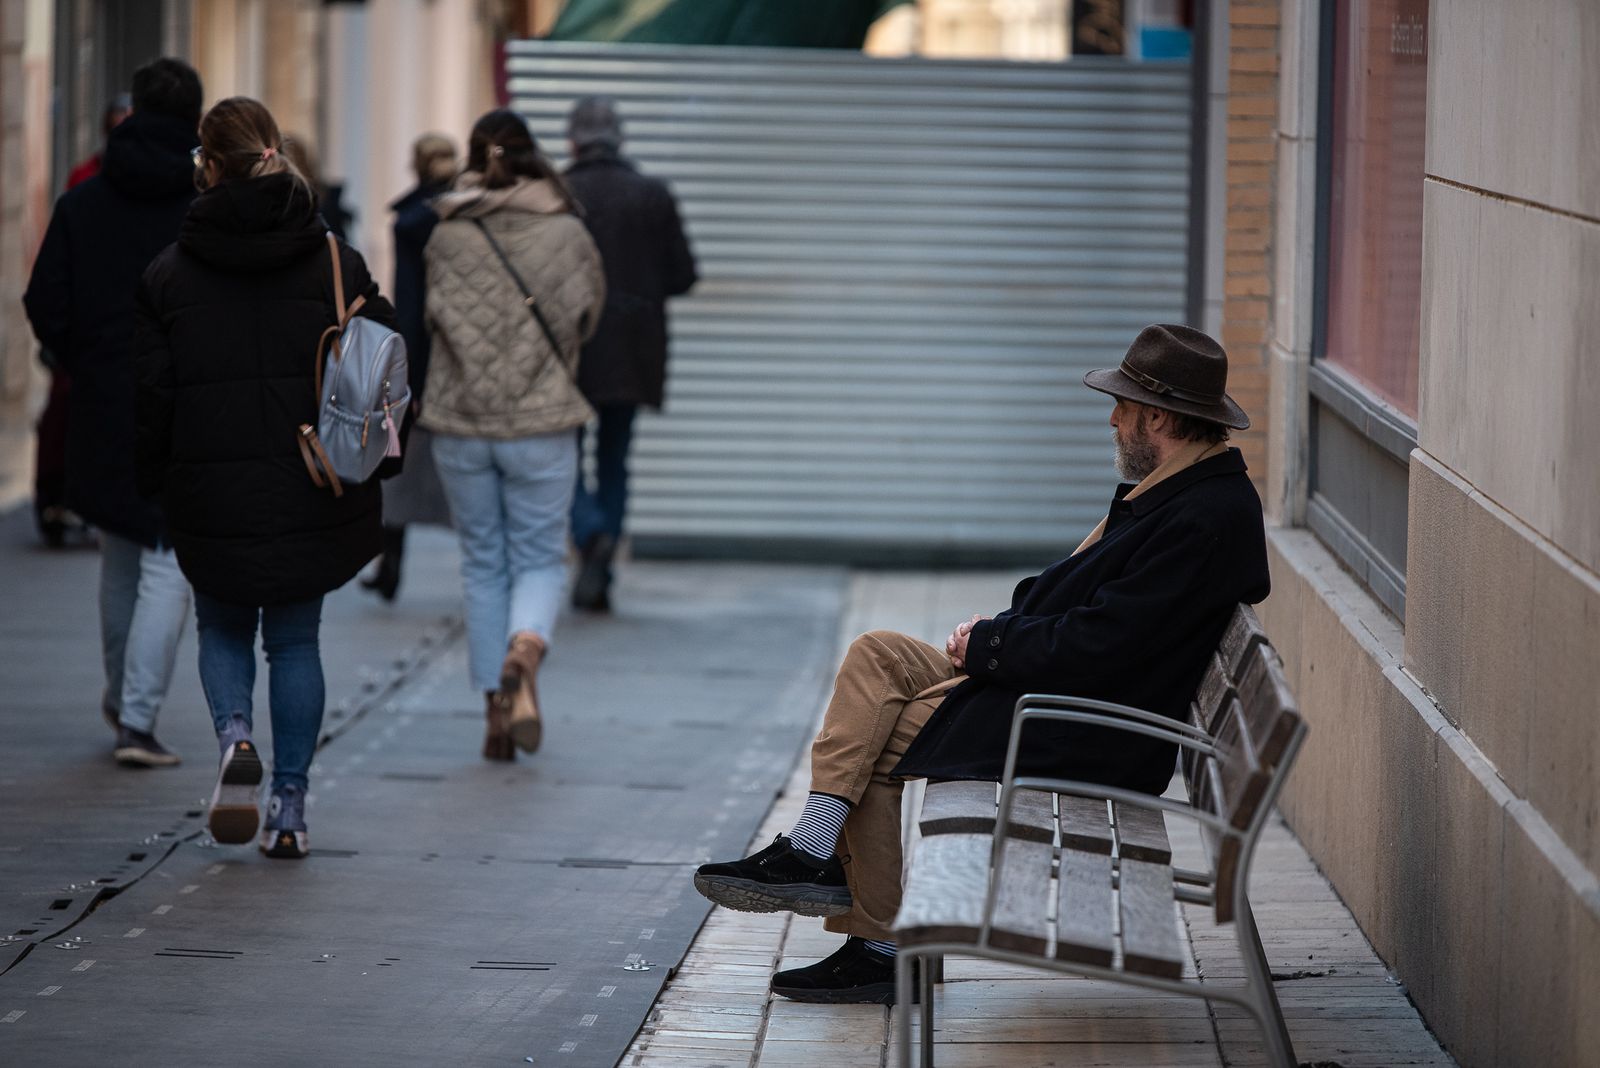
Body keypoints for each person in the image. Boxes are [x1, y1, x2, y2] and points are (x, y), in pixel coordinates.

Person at [693, 325, 1270, 1004]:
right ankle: (815, 853)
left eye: (1121, 406)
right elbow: (1082, 606)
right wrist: (995, 636)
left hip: (1085, 724)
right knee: (877, 652)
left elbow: (1103, 643)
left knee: (880, 742)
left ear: (1159, 416)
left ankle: (878, 945)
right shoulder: (1179, 493)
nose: (1112, 419)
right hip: (1064, 690)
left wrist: (993, 646)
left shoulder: (1199, 515)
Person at [135, 97, 399, 858]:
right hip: (310, 478)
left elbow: (150, 393)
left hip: (205, 482)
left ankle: (234, 739)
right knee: (293, 639)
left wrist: (151, 478)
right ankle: (289, 803)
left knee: (221, 625)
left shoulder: (168, 272)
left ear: (206, 168)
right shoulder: (332, 259)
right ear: (276, 154)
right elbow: (386, 358)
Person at [24, 60, 203, 766]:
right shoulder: (203, 206)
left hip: (103, 395)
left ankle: (121, 695)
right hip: (183, 401)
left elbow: (44, 302)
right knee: (168, 557)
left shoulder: (83, 201)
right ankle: (137, 716)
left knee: (121, 550)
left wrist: (84, 359)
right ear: (194, 117)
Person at [422, 109, 605, 761]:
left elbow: (432, 321)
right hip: (542, 420)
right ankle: (526, 649)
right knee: (537, 557)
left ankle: (495, 713)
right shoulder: (568, 231)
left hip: (461, 420)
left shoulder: (447, 235)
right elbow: (586, 316)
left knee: (483, 562)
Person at [562, 97, 698, 612]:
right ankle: (604, 553)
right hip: (635, 345)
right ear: (621, 140)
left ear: (574, 141)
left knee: (567, 454)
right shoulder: (652, 194)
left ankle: (588, 529)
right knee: (615, 456)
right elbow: (684, 274)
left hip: (574, 343)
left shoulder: (562, 193)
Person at [361, 133, 459, 602]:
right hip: (467, 359)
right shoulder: (467, 217)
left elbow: (411, 305)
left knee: (399, 463)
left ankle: (391, 563)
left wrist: (409, 377)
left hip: (426, 360)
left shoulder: (410, 225)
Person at [34, 95, 133, 549]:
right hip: (89, 330)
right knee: (64, 415)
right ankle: (58, 500)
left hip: (109, 331)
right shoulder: (85, 184)